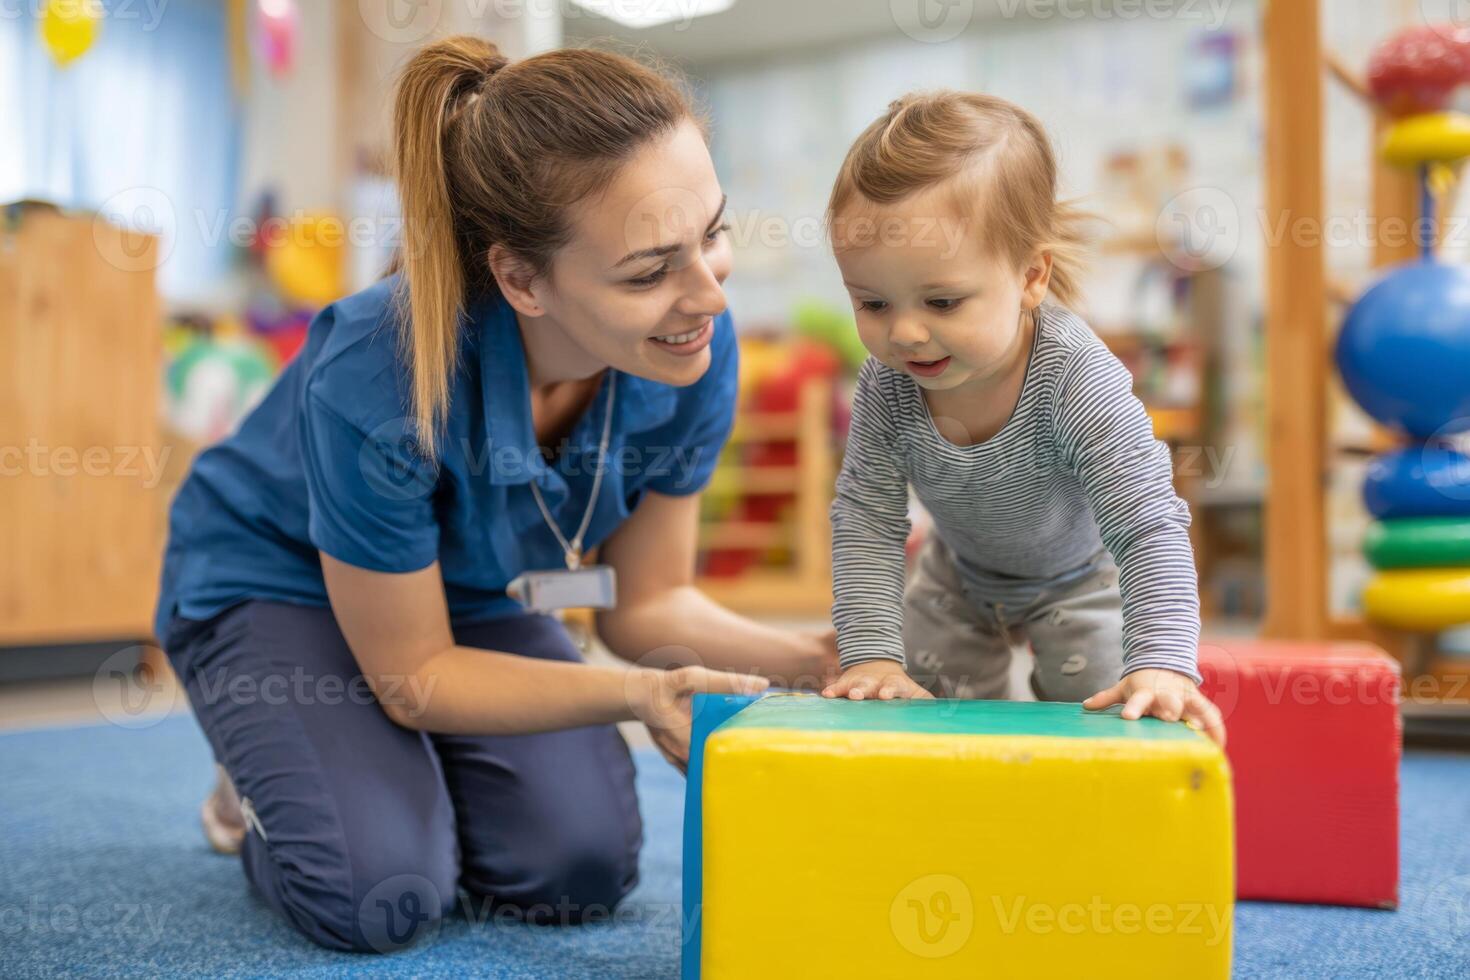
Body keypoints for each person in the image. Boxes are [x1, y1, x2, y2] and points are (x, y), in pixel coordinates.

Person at [156, 35, 836, 953]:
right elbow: (418, 675)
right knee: (380, 892)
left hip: (458, 597)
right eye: (649, 270)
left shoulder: (687, 355)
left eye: (711, 234)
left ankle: (367, 766)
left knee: (577, 869)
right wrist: (635, 696)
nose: (708, 295)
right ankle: (261, 785)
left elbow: (649, 605)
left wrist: (816, 659)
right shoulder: (381, 371)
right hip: (274, 583)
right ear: (521, 278)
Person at [819, 90, 1224, 746]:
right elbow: (865, 517)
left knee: (1107, 699)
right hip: (958, 574)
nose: (907, 333)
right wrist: (871, 655)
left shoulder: (1075, 379)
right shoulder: (887, 387)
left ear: (1032, 276)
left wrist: (1163, 662)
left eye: (943, 301)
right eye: (872, 303)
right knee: (919, 706)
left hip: (1082, 578)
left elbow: (1150, 524)